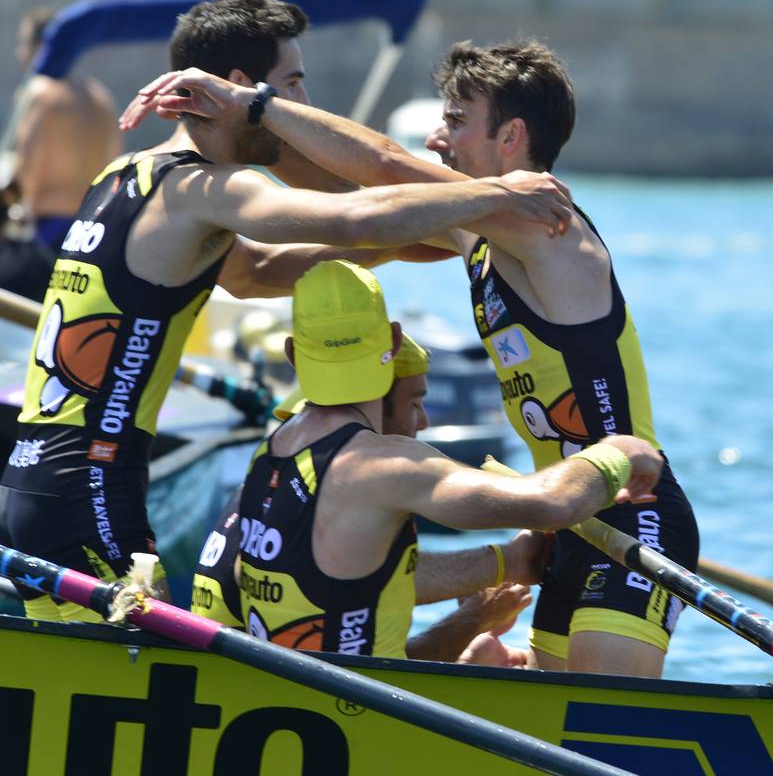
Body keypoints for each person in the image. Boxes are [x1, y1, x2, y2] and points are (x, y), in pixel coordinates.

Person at [123, 40, 700, 678]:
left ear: (511, 136)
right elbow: (351, 190)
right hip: (569, 518)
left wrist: (253, 104)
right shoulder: (475, 228)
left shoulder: (547, 226)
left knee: (599, 720)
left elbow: (385, 163)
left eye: (455, 120)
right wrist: (227, 136)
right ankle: (500, 664)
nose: (435, 138)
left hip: (634, 509)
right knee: (551, 714)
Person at [0, 0, 575, 622]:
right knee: (145, 672)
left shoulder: (123, 174)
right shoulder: (204, 187)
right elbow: (352, 217)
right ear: (238, 87)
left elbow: (255, 273)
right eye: (291, 85)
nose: (300, 104)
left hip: (32, 482)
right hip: (92, 490)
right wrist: (495, 196)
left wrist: (409, 244)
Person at [216, 260, 664, 661]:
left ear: (293, 354)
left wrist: (508, 561)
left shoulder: (270, 452)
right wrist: (618, 452)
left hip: (293, 688)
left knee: (485, 656)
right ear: (394, 340)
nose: (423, 421)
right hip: (368, 708)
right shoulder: (389, 465)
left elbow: (354, 575)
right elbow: (552, 504)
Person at [193, 331, 536, 663]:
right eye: (414, 404)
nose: (423, 422)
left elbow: (371, 588)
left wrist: (487, 576)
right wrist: (473, 620)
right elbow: (369, 680)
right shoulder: (331, 496)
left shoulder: (274, 485)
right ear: (371, 405)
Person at [12, 7, 124, 250]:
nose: (20, 52)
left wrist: (24, 214)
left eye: (24, 43)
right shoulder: (100, 95)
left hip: (49, 225)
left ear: (41, 46)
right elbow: (114, 161)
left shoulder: (38, 92)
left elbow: (29, 162)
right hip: (92, 225)